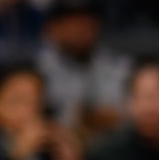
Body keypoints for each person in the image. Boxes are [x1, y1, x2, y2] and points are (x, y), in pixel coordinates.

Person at [36, 0, 128, 136]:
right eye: (72, 22)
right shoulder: (36, 69)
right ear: (52, 28)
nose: (81, 29)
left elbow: (126, 116)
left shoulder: (119, 65)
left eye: (87, 22)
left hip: (112, 148)